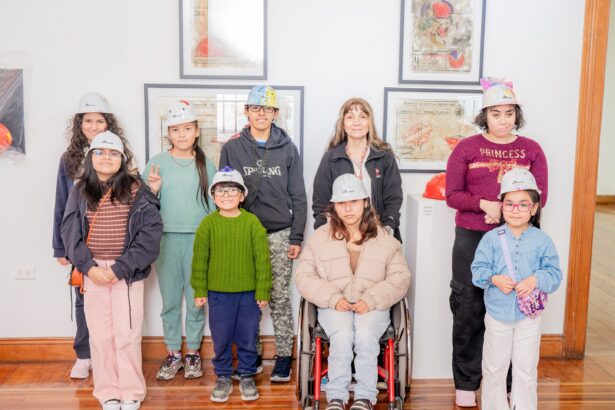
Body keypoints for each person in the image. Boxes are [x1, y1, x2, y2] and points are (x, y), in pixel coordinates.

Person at [445, 77, 549, 407]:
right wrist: (485, 205)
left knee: (511, 310)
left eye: (509, 113)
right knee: (469, 309)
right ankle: (466, 383)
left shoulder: (532, 150)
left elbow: (539, 195)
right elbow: (452, 194)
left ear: (516, 115)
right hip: (473, 239)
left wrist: (508, 213)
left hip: (518, 241)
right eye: (496, 113)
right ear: (484, 115)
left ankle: (506, 386)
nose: (503, 120)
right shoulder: (466, 148)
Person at [61, 132, 163, 410]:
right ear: (91, 157)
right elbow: (70, 232)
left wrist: (120, 268)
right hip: (93, 272)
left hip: (127, 272)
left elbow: (150, 234)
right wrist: (89, 267)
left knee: (127, 335)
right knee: (101, 336)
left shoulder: (137, 189)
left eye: (113, 153)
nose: (106, 158)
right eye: (100, 152)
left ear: (122, 158)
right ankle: (108, 392)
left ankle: (131, 392)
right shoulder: (79, 190)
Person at [295, 174, 411, 410]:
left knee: (366, 335)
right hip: (334, 305)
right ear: (334, 206)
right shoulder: (319, 239)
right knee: (343, 335)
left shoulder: (386, 239)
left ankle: (365, 397)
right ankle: (336, 396)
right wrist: (332, 298)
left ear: (365, 202)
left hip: (372, 306)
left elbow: (401, 277)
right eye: (341, 203)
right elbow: (304, 276)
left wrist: (371, 299)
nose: (347, 209)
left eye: (354, 202)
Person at [219, 85, 307, 382]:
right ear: (246, 111)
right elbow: (223, 190)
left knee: (279, 297)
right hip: (244, 233)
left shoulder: (288, 147)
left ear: (275, 114)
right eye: (255, 108)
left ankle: (283, 356)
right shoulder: (232, 147)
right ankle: (251, 353)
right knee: (248, 297)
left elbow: (298, 194)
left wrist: (296, 236)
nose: (261, 114)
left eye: (267, 109)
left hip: (280, 232)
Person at [52, 92, 135, 379]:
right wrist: (60, 247)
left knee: (114, 300)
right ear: (80, 124)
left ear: (108, 124)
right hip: (80, 240)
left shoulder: (119, 155)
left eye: (99, 121)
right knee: (83, 296)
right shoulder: (69, 160)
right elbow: (62, 204)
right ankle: (85, 354)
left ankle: (109, 354)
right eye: (88, 120)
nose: (93, 126)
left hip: (112, 242)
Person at [472, 168, 561, 410]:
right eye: (509, 204)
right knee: (493, 368)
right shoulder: (491, 239)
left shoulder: (543, 241)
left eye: (523, 204)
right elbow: (477, 272)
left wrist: (535, 280)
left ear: (534, 208)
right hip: (497, 316)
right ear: (501, 206)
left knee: (526, 369)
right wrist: (493, 279)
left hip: (528, 319)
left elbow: (554, 275)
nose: (516, 210)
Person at [143, 100, 217, 380]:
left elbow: (214, 206)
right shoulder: (157, 163)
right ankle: (174, 352)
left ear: (196, 131)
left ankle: (194, 353)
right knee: (170, 300)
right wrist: (153, 190)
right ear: (169, 133)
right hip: (166, 240)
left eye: (187, 128)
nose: (182, 134)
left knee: (196, 300)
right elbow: (145, 205)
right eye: (176, 129)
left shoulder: (206, 165)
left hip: (198, 240)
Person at [191, 167, 272, 403]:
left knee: (247, 336)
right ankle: (224, 376)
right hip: (218, 295)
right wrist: (199, 290)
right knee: (222, 336)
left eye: (232, 190)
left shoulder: (252, 223)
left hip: (248, 294)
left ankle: (246, 374)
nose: (226, 196)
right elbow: (199, 261)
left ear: (242, 195)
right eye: (221, 191)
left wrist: (262, 290)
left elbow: (262, 260)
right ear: (213, 195)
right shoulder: (208, 224)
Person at [312, 97, 402, 241]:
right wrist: (328, 233)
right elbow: (320, 202)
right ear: (343, 124)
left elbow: (394, 198)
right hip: (341, 236)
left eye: (362, 116)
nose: (356, 122)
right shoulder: (331, 158)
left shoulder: (384, 157)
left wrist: (387, 228)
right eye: (350, 117)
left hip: (378, 233)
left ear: (369, 122)